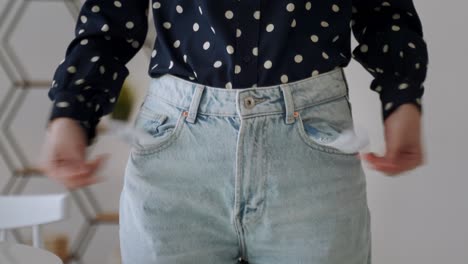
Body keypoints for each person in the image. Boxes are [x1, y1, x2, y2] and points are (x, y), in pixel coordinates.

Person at [37, 0, 428, 263]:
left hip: (310, 148)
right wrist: (71, 111)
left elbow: (385, 13)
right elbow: (110, 14)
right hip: (177, 150)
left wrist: (403, 99)